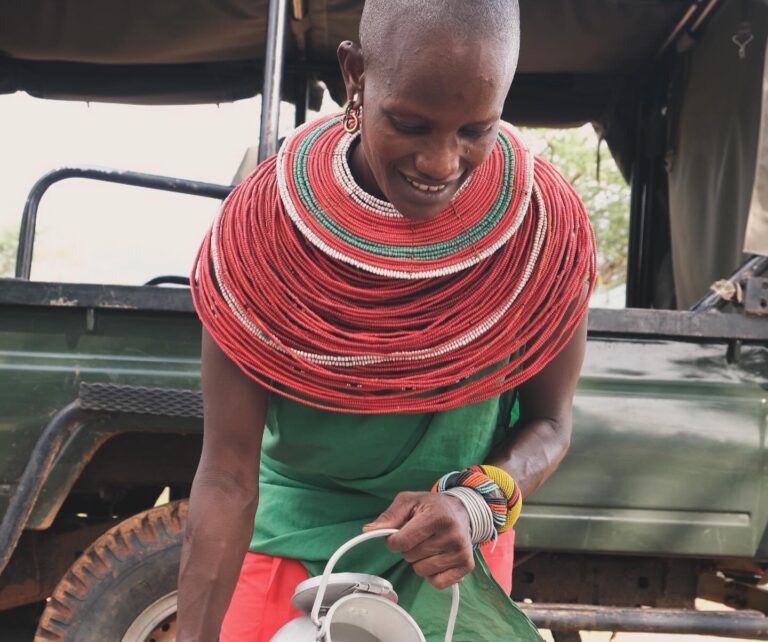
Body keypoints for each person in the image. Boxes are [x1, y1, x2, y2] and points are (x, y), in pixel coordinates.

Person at [178, 0, 595, 640]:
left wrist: (474, 504)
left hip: (451, 558)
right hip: (288, 551)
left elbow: (551, 422)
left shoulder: (542, 233)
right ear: (355, 75)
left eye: (475, 130)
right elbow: (229, 477)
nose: (440, 163)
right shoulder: (262, 238)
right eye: (410, 123)